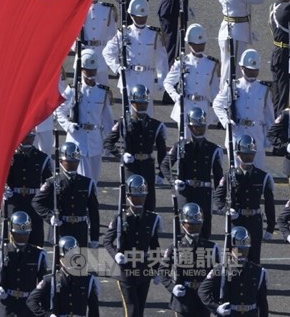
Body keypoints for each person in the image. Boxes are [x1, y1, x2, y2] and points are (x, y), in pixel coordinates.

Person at [102, 175, 162, 317]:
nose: (140, 199)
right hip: (125, 270)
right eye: (136, 196)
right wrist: (116, 254)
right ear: (128, 196)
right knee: (132, 310)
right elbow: (107, 241)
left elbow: (154, 245)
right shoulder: (120, 218)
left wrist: (157, 268)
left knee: (140, 310)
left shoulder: (152, 219)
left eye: (142, 195)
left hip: (143, 269)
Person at [102, 84, 168, 212]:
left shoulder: (156, 125)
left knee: (149, 203)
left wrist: (161, 173)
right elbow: (108, 142)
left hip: (147, 167)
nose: (142, 106)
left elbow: (162, 151)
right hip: (131, 167)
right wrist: (121, 155)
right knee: (130, 202)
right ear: (132, 103)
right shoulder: (124, 122)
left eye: (144, 103)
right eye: (139, 103)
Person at [161, 107, 224, 239]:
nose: (200, 129)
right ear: (189, 127)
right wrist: (173, 181)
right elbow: (165, 165)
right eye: (196, 126)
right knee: (184, 229)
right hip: (186, 192)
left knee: (204, 230)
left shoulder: (213, 149)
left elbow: (218, 177)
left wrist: (220, 202)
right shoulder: (180, 146)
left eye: (202, 126)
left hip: (204, 193)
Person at [212, 135, 275, 264]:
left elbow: (269, 203)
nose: (248, 156)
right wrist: (226, 210)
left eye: (251, 153)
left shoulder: (263, 176)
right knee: (234, 259)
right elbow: (217, 196)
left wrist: (270, 226)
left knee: (254, 259)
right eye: (245, 154)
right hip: (237, 220)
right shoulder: (230, 175)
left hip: (254, 222)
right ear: (238, 154)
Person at [56, 48, 114, 183]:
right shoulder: (72, 90)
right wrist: (68, 126)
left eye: (93, 70)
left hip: (95, 141)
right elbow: (59, 111)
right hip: (78, 140)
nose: (91, 73)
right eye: (88, 70)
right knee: (83, 181)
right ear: (81, 69)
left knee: (94, 181)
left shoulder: (102, 92)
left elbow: (107, 119)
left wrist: (109, 142)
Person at [103, 0, 169, 115]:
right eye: (138, 16)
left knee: (148, 113)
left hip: (147, 77)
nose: (142, 19)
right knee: (129, 114)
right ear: (132, 15)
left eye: (144, 16)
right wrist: (118, 68)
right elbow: (107, 52)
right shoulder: (124, 33)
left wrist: (161, 78)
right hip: (129, 77)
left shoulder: (154, 34)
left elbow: (162, 58)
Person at [213, 49, 274, 170]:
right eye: (249, 69)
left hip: (256, 134)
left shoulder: (264, 89)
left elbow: (269, 117)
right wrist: (226, 121)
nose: (253, 73)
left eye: (255, 70)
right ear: (242, 68)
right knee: (236, 172)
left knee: (258, 171)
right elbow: (217, 104)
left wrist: (268, 139)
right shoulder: (233, 85)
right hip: (237, 132)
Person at [157, 203, 221, 317]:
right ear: (183, 224)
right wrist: (172, 287)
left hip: (203, 301)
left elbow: (218, 275)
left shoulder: (211, 247)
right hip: (183, 301)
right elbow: (162, 271)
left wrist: (216, 302)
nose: (195, 227)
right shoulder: (175, 247)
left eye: (198, 224)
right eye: (191, 224)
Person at [32, 143, 100, 248]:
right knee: (62, 258)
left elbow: (93, 212)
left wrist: (94, 238)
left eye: (75, 161)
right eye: (69, 162)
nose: (73, 164)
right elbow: (36, 202)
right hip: (62, 228)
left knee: (80, 257)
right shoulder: (53, 182)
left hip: (80, 230)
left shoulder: (87, 183)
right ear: (61, 162)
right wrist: (50, 217)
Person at [217, 0, 263, 89]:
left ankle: (226, 94)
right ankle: (227, 97)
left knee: (229, 69)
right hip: (235, 33)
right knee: (233, 71)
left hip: (232, 29)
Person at [198, 227, 270, 316]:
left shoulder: (258, 271)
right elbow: (202, 291)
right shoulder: (221, 269)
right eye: (239, 249)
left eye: (245, 249)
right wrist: (216, 307)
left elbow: (262, 303)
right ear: (231, 248)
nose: (242, 252)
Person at [163, 23, 220, 132]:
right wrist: (176, 97)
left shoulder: (212, 64)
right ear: (189, 44)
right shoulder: (182, 62)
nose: (200, 46)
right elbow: (168, 82)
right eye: (196, 44)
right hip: (186, 106)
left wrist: (217, 111)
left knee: (201, 140)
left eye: (202, 43)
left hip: (203, 107)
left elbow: (215, 90)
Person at [26, 235, 100, 317]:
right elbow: (31, 301)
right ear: (60, 258)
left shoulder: (87, 280)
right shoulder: (50, 279)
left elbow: (94, 311)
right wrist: (47, 315)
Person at [4, 133, 53, 249]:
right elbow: (2, 177)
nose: (28, 139)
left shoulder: (42, 157)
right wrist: (5, 188)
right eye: (25, 136)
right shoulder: (11, 155)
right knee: (13, 241)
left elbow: (48, 183)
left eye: (30, 136)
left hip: (34, 202)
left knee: (36, 240)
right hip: (15, 200)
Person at [0, 211, 49, 317]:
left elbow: (44, 283)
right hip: (7, 303)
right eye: (18, 234)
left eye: (25, 234)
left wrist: (45, 309)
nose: (22, 237)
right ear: (12, 233)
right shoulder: (3, 252)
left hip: (28, 305)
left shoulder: (38, 254)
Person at [269, 0, 290, 115]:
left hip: (277, 51)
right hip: (285, 54)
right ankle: (281, 125)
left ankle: (275, 122)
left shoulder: (275, 5)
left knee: (278, 95)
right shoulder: (286, 8)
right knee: (283, 95)